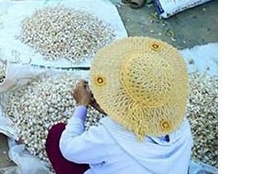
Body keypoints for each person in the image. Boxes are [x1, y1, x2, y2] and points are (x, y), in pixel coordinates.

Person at [44, 36, 193, 173]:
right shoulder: (180, 123)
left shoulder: (108, 136)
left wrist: (81, 105)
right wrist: (112, 110)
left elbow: (69, 149)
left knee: (57, 133)